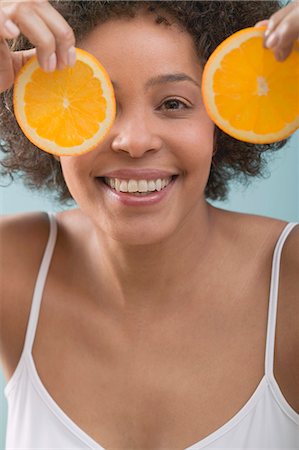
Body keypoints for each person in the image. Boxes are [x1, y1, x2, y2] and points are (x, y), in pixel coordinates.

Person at [0, 1, 298, 449]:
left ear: (218, 118)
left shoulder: (290, 281)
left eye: (174, 103)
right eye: (101, 100)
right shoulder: (15, 268)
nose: (135, 141)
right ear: (47, 114)